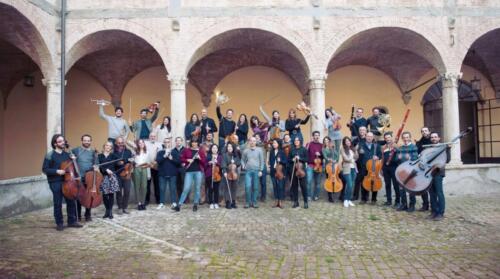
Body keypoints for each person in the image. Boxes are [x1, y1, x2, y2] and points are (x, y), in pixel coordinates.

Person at [42, 134, 83, 231]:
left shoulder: (67, 154)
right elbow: (45, 169)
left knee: (71, 200)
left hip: (68, 181)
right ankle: (59, 223)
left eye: (63, 141)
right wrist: (57, 171)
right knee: (58, 203)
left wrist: (74, 162)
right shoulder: (50, 155)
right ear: (55, 144)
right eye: (60, 141)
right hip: (55, 181)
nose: (63, 143)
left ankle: (71, 221)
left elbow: (72, 168)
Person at [174, 138, 206, 212]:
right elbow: (181, 158)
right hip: (189, 172)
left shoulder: (200, 151)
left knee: (197, 189)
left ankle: (195, 204)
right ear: (191, 143)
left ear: (197, 143)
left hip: (198, 172)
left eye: (195, 142)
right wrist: (187, 160)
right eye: (193, 142)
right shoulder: (186, 150)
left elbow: (204, 162)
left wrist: (199, 158)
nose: (194, 143)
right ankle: (179, 205)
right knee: (186, 188)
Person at [72, 134, 97, 222]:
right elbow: (70, 158)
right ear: (82, 141)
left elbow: (96, 164)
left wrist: (96, 167)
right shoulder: (76, 150)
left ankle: (88, 214)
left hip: (89, 178)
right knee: (79, 197)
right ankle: (78, 215)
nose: (87, 142)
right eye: (85, 140)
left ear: (90, 141)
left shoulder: (93, 152)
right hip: (79, 177)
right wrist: (72, 158)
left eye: (88, 140)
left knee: (88, 197)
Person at [427, 132, 451, 221]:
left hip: (438, 173)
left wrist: (448, 149)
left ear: (439, 138)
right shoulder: (428, 148)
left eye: (435, 137)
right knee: (432, 193)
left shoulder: (443, 148)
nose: (433, 138)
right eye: (432, 137)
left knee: (439, 193)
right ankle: (434, 211)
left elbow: (447, 160)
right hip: (429, 173)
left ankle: (440, 213)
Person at [396, 132, 419, 212]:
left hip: (411, 171)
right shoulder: (400, 148)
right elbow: (396, 159)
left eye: (407, 137)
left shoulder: (414, 147)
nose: (405, 139)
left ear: (410, 138)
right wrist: (398, 158)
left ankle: (412, 205)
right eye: (404, 137)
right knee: (402, 188)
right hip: (402, 171)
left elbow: (416, 158)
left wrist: (410, 158)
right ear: (402, 138)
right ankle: (404, 204)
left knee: (410, 188)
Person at [98, 141, 121, 219]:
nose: (108, 147)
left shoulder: (113, 156)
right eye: (107, 145)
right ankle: (107, 210)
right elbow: (99, 166)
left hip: (111, 176)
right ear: (104, 146)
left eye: (110, 146)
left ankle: (110, 211)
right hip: (103, 176)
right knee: (104, 195)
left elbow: (119, 163)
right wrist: (106, 170)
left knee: (111, 194)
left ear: (111, 148)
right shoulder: (99, 156)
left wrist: (121, 163)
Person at [359, 132, 382, 204]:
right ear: (365, 137)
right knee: (364, 183)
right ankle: (364, 199)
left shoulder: (377, 146)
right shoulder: (361, 145)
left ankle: (374, 199)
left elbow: (380, 155)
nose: (369, 138)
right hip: (364, 167)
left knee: (375, 182)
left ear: (373, 138)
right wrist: (360, 153)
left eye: (371, 137)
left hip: (374, 168)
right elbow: (358, 157)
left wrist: (378, 157)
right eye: (368, 136)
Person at [241, 137, 264, 208]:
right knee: (247, 187)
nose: (252, 142)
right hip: (248, 171)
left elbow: (262, 161)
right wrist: (243, 165)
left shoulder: (259, 150)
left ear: (256, 142)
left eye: (254, 141)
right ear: (249, 142)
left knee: (255, 187)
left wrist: (261, 170)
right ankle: (248, 202)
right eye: (251, 141)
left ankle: (254, 202)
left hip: (256, 171)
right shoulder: (246, 151)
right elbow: (242, 160)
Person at [155, 137, 178, 209]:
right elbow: (158, 161)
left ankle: (174, 202)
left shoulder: (174, 152)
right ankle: (161, 203)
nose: (167, 143)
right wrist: (164, 155)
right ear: (163, 143)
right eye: (165, 142)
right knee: (162, 189)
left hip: (172, 174)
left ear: (170, 143)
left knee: (173, 189)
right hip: (162, 174)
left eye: (168, 142)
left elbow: (178, 162)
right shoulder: (160, 152)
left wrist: (172, 158)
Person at [114, 136, 133, 214]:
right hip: (118, 174)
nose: (120, 144)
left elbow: (131, 161)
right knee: (118, 192)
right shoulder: (114, 153)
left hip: (127, 174)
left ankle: (125, 207)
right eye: (119, 143)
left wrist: (128, 163)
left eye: (122, 142)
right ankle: (120, 207)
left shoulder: (128, 152)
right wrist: (117, 163)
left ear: (124, 143)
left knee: (127, 191)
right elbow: (113, 163)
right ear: (116, 143)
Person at [381, 132, 400, 208]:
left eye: (389, 137)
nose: (387, 139)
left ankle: (398, 201)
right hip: (385, 168)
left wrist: (397, 148)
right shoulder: (383, 147)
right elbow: (382, 159)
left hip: (394, 167)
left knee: (396, 185)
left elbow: (400, 155)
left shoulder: (396, 145)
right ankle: (389, 201)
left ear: (391, 137)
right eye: (386, 138)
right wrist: (381, 169)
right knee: (387, 184)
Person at [289, 136, 309, 209]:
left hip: (301, 170)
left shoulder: (304, 149)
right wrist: (292, 159)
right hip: (293, 170)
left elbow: (307, 159)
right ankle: (296, 202)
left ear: (300, 141)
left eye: (297, 140)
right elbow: (289, 159)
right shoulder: (292, 149)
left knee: (303, 186)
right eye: (295, 140)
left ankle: (305, 202)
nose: (296, 141)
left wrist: (300, 158)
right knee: (295, 187)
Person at [415, 126, 431, 211]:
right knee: (422, 187)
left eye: (426, 130)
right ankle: (425, 205)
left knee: (432, 188)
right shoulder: (420, 142)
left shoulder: (433, 140)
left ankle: (434, 205)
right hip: (422, 167)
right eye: (422, 131)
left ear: (429, 131)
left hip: (432, 167)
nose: (424, 132)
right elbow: (417, 153)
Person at [221, 143, 241, 209]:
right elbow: (223, 164)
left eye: (231, 147)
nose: (229, 148)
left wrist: (234, 163)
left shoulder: (235, 155)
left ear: (233, 148)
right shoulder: (224, 155)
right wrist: (224, 172)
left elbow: (238, 163)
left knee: (234, 188)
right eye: (228, 147)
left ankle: (233, 202)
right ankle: (228, 202)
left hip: (235, 173)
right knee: (227, 188)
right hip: (228, 172)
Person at [145, 133, 162, 206]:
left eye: (154, 136)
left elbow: (160, 155)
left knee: (157, 184)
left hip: (156, 166)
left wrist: (156, 162)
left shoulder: (159, 145)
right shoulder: (145, 143)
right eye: (151, 136)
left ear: (156, 137)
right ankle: (146, 200)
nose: (152, 137)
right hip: (148, 166)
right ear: (149, 137)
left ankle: (158, 200)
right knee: (147, 184)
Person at [269, 139, 287, 208]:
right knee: (275, 186)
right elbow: (270, 161)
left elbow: (285, 162)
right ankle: (276, 201)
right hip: (273, 171)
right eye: (273, 143)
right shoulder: (271, 152)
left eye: (275, 143)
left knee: (280, 186)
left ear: (278, 144)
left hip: (280, 171)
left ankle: (280, 201)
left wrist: (281, 160)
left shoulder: (282, 152)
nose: (273, 144)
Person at [340, 137, 358, 208]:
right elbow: (346, 159)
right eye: (346, 141)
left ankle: (349, 199)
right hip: (347, 168)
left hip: (354, 168)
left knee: (352, 185)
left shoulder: (352, 149)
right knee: (349, 184)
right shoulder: (343, 149)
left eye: (349, 141)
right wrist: (352, 158)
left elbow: (357, 157)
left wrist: (355, 151)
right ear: (344, 142)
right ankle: (345, 200)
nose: (348, 142)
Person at [132, 139, 150, 210]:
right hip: (137, 169)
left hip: (144, 169)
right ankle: (139, 203)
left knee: (144, 186)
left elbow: (148, 163)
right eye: (139, 143)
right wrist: (134, 164)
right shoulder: (134, 151)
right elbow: (131, 160)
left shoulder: (147, 152)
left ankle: (143, 202)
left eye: (142, 142)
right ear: (137, 144)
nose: (141, 144)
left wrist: (148, 174)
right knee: (137, 186)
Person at [306, 131, 323, 201]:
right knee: (309, 181)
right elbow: (305, 154)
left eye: (318, 135)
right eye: (315, 135)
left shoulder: (322, 145)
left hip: (319, 166)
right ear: (313, 136)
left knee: (318, 183)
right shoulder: (309, 144)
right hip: (310, 165)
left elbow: (324, 156)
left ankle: (316, 195)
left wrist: (320, 155)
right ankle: (308, 195)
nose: (317, 137)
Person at [352, 126, 367, 201]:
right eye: (360, 130)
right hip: (357, 162)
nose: (362, 131)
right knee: (357, 180)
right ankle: (355, 196)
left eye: (363, 130)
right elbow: (351, 149)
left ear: (366, 131)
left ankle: (365, 197)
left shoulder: (369, 139)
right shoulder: (356, 139)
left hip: (366, 162)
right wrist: (355, 148)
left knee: (365, 180)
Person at [322, 136, 339, 203]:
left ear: (329, 141)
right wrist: (329, 159)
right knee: (328, 180)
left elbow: (337, 156)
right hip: (328, 167)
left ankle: (335, 190)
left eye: (327, 140)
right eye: (325, 140)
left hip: (334, 166)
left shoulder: (333, 148)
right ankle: (330, 197)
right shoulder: (324, 149)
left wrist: (335, 160)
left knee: (336, 178)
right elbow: (325, 156)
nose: (326, 141)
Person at [205, 144, 222, 209]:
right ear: (211, 149)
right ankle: (211, 202)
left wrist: (216, 162)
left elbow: (221, 165)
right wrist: (209, 163)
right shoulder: (208, 156)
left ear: (217, 149)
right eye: (213, 148)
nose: (214, 149)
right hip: (209, 175)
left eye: (215, 148)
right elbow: (205, 165)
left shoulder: (220, 157)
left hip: (217, 175)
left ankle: (216, 202)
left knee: (216, 189)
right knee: (210, 189)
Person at [171, 137, 185, 207]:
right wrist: (180, 161)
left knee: (184, 184)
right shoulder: (173, 151)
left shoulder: (185, 150)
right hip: (175, 169)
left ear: (182, 142)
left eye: (180, 141)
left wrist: (180, 161)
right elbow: (172, 161)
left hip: (183, 169)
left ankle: (185, 199)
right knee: (178, 185)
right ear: (175, 142)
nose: (178, 142)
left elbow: (186, 159)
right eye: (177, 141)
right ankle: (180, 199)